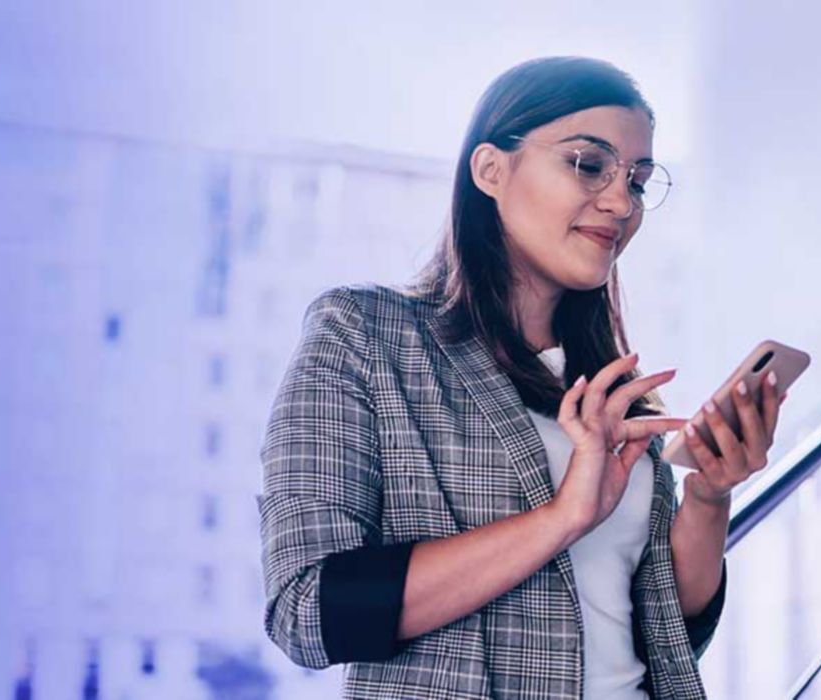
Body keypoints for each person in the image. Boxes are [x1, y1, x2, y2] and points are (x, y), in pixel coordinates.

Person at [257, 56, 788, 699]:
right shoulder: (365, 337)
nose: (621, 202)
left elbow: (668, 632)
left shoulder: (612, 386)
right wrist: (563, 517)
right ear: (491, 169)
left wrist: (709, 494)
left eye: (639, 181)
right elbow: (308, 612)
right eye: (589, 165)